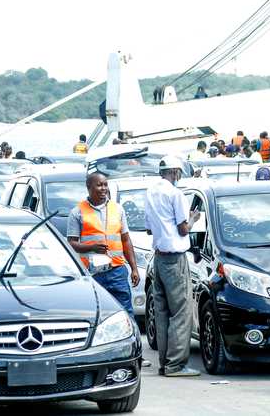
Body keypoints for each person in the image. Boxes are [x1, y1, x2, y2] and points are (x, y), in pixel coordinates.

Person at [145, 156, 201, 377]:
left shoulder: (150, 192)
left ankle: (164, 362)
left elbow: (150, 229)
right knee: (181, 312)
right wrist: (194, 218)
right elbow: (183, 229)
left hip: (158, 257)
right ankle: (175, 365)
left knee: (162, 312)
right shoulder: (176, 194)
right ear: (176, 172)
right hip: (174, 259)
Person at [67, 172, 140, 318]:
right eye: (99, 185)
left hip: (117, 271)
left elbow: (126, 240)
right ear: (89, 187)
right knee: (96, 314)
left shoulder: (118, 209)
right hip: (93, 273)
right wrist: (92, 247)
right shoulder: (77, 212)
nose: (103, 188)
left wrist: (134, 268)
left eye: (105, 184)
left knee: (125, 313)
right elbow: (71, 244)